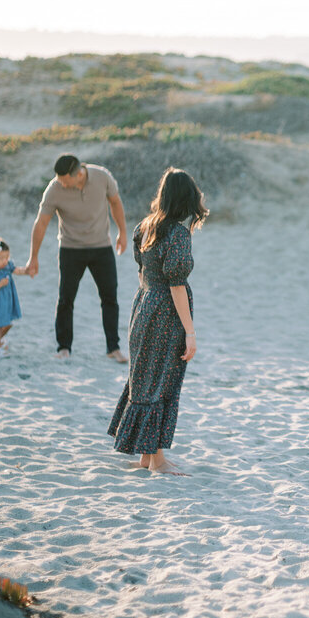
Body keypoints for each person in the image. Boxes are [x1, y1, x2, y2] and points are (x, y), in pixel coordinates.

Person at [108, 168, 208, 475]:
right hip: (165, 312)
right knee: (161, 380)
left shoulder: (144, 227)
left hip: (143, 305)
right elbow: (176, 285)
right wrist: (190, 332)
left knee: (144, 378)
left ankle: (146, 456)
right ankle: (157, 461)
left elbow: (141, 273)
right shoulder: (177, 234)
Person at [25, 154, 128, 362]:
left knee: (110, 297)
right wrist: (33, 257)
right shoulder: (54, 189)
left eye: (64, 180)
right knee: (66, 300)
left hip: (101, 247)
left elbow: (115, 203)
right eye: (59, 179)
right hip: (71, 249)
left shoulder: (101, 177)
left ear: (79, 174)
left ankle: (113, 348)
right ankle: (63, 347)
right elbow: (41, 223)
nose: (60, 183)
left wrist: (122, 232)